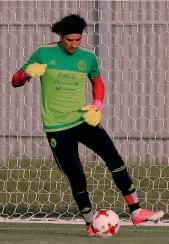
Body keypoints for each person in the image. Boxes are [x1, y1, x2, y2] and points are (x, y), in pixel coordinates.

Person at [11, 14, 164, 236]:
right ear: (61, 37)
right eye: (69, 40)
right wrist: (26, 74)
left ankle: (136, 211)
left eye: (77, 40)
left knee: (114, 158)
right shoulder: (43, 53)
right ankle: (90, 222)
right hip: (57, 128)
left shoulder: (88, 57)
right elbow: (15, 81)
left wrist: (98, 104)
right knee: (77, 177)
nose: (74, 45)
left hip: (83, 120)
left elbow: (97, 81)